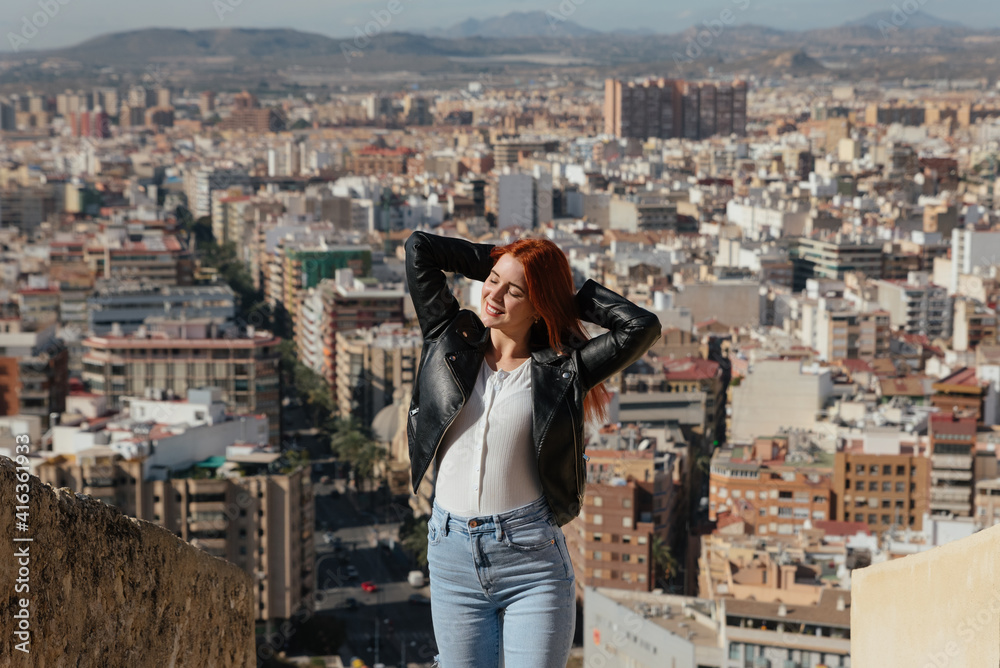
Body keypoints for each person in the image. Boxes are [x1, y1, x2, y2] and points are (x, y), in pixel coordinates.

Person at [404, 231, 661, 668]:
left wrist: (564, 295)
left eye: (515, 290)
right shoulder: (447, 338)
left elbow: (641, 326)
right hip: (450, 555)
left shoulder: (564, 370)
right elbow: (419, 248)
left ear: (539, 304)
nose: (494, 295)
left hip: (530, 559)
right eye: (492, 280)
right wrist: (506, 261)